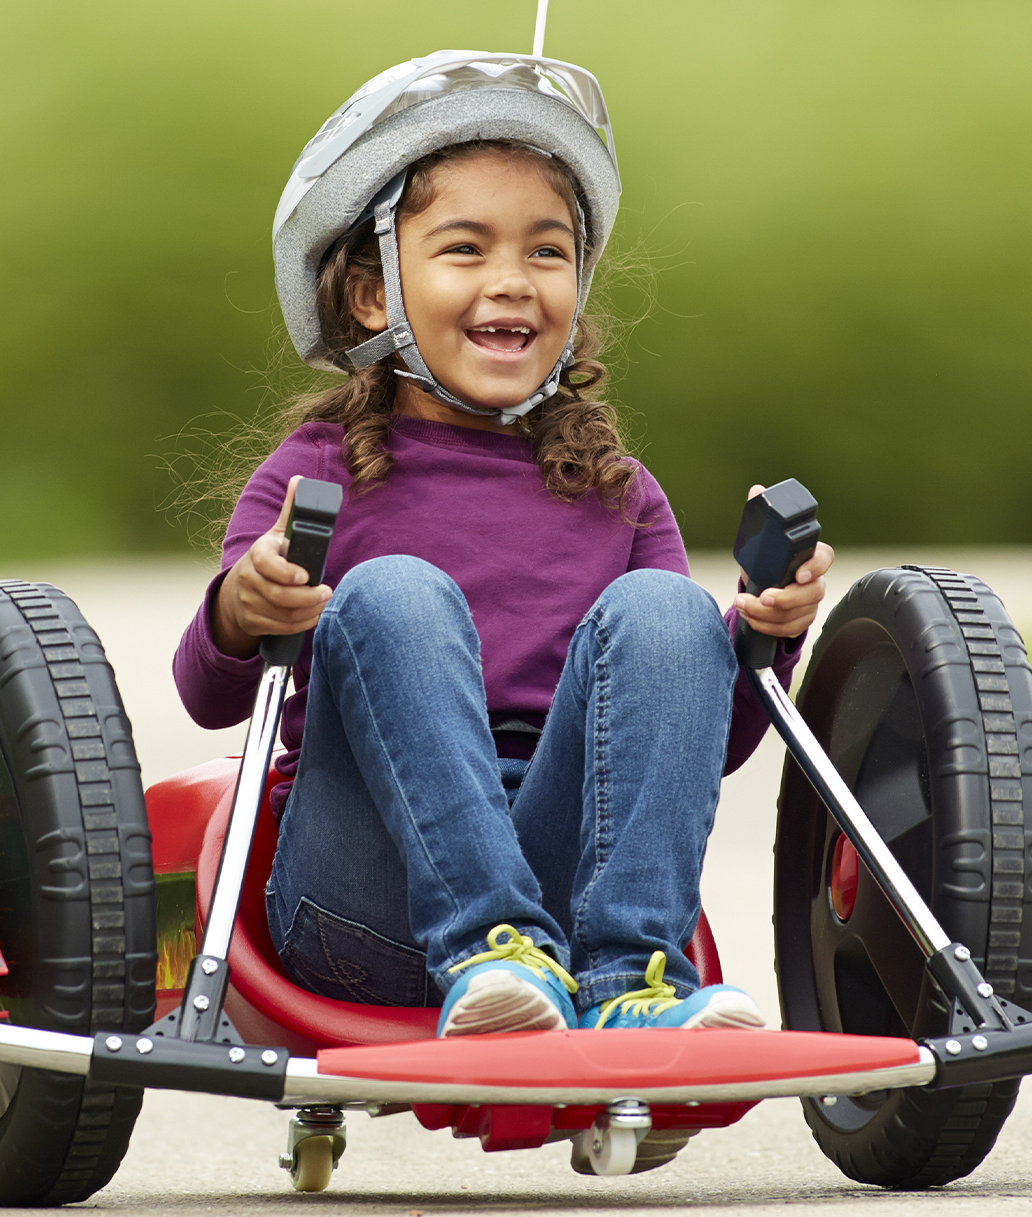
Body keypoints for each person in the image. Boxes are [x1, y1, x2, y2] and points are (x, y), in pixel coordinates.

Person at [172, 52, 832, 1036]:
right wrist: (242, 606)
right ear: (371, 293)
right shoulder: (315, 476)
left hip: (571, 906)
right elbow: (210, 691)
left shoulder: (621, 495)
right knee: (392, 589)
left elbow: (708, 749)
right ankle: (485, 941)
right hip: (363, 906)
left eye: (545, 251)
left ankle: (632, 979)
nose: (510, 282)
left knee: (671, 609)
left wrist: (762, 634)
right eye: (464, 249)